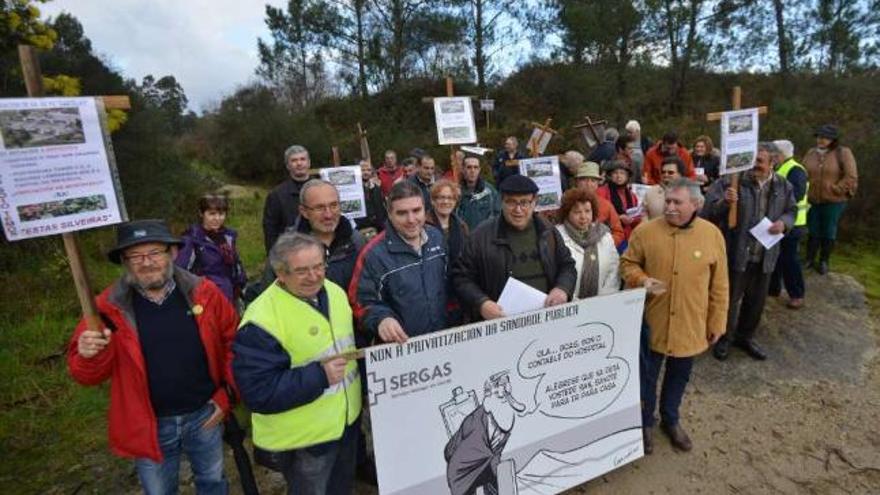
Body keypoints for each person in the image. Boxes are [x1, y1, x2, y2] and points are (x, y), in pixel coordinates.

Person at [68, 219, 238, 494]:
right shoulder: (106, 309)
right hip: (150, 424)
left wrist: (227, 395)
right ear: (124, 261)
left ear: (172, 253)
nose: (146, 263)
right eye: (135, 256)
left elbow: (235, 344)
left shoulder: (204, 293)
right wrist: (90, 355)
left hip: (205, 414)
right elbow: (86, 375)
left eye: (155, 252)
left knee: (213, 483)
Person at [233, 233, 361, 495]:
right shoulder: (261, 320)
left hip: (346, 424)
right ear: (281, 273)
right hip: (306, 440)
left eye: (318, 266)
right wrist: (319, 375)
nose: (314, 276)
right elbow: (258, 392)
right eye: (302, 270)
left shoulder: (334, 292)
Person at [620, 179, 729, 454]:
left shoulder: (712, 235)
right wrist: (641, 279)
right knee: (646, 377)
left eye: (677, 202)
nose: (669, 207)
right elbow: (627, 264)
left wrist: (717, 321)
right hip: (651, 322)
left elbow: (720, 284)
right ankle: (644, 424)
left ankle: (671, 419)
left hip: (691, 323)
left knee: (679, 376)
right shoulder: (645, 232)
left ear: (696, 204)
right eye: (667, 201)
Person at [703, 142, 796, 361]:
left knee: (756, 301)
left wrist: (784, 223)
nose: (755, 165)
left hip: (766, 254)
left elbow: (792, 210)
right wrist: (725, 202)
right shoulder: (731, 181)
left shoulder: (784, 186)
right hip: (737, 252)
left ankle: (745, 337)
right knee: (729, 299)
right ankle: (723, 337)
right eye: (752, 160)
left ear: (773, 162)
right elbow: (709, 212)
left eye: (760, 161)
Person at [452, 175, 576, 322]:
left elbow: (567, 265)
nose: (518, 210)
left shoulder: (548, 231)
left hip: (546, 320)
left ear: (534, 202)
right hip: (500, 324)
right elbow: (461, 277)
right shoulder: (481, 236)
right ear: (502, 201)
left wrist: (562, 289)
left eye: (524, 202)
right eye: (511, 202)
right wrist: (481, 303)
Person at [349, 181, 449, 343]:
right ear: (389, 214)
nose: (411, 219)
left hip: (441, 340)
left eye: (416, 211)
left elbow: (447, 284)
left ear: (425, 209)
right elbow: (360, 302)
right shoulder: (374, 254)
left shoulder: (436, 237)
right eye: (402, 213)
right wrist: (382, 319)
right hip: (401, 348)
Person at [802, 124, 858, 275]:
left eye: (825, 137)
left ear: (833, 139)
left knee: (828, 230)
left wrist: (836, 189)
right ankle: (809, 259)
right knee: (813, 229)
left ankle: (824, 261)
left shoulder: (843, 153)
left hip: (834, 201)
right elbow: (803, 171)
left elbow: (851, 176)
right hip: (812, 200)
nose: (821, 140)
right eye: (819, 136)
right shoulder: (811, 153)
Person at [176, 194, 247, 305]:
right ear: (201, 214)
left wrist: (241, 281)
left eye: (221, 214)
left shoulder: (228, 236)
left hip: (231, 295)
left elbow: (236, 263)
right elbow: (180, 272)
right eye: (212, 214)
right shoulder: (192, 240)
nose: (217, 218)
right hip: (206, 299)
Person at [556, 188, 619, 298]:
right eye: (577, 212)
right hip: (570, 305)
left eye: (587, 211)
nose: (583, 217)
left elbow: (614, 270)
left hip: (603, 303)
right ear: (567, 213)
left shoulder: (604, 235)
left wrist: (604, 299)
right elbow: (557, 274)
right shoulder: (557, 235)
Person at [769, 140, 809, 309]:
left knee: (789, 260)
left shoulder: (796, 170)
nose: (772, 156)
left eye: (774, 153)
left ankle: (797, 294)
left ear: (781, 154)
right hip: (779, 221)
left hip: (793, 224)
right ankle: (773, 288)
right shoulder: (780, 167)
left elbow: (797, 196)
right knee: (776, 256)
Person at [263, 144, 312, 253]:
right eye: (294, 160)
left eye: (302, 159)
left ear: (309, 163)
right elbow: (270, 231)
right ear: (288, 166)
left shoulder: (322, 188)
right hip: (290, 252)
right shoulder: (276, 195)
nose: (299, 163)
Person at [573, 162, 626, 248]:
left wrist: (603, 246)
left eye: (593, 181)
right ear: (577, 182)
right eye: (584, 180)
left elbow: (618, 232)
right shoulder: (566, 203)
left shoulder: (606, 205)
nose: (589, 184)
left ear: (598, 183)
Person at [597, 160, 641, 251]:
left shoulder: (632, 196)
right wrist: (619, 218)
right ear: (610, 175)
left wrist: (633, 219)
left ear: (627, 176)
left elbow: (637, 216)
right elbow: (599, 217)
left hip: (629, 237)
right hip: (609, 236)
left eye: (622, 173)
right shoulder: (601, 192)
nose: (619, 176)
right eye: (615, 173)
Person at [427, 179, 469, 263]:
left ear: (455, 201)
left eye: (450, 198)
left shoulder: (462, 226)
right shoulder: (423, 226)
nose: (446, 202)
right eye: (441, 197)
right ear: (433, 201)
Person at [457, 156, 501, 230]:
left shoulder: (490, 191)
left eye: (475, 167)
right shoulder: (456, 191)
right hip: (463, 237)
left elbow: (498, 215)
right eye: (469, 167)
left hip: (484, 236)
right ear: (463, 169)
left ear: (479, 170)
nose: (472, 171)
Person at [355, 159, 387, 236]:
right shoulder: (353, 190)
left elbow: (380, 209)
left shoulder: (376, 188)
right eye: (362, 170)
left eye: (368, 170)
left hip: (377, 228)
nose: (366, 172)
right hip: (360, 229)